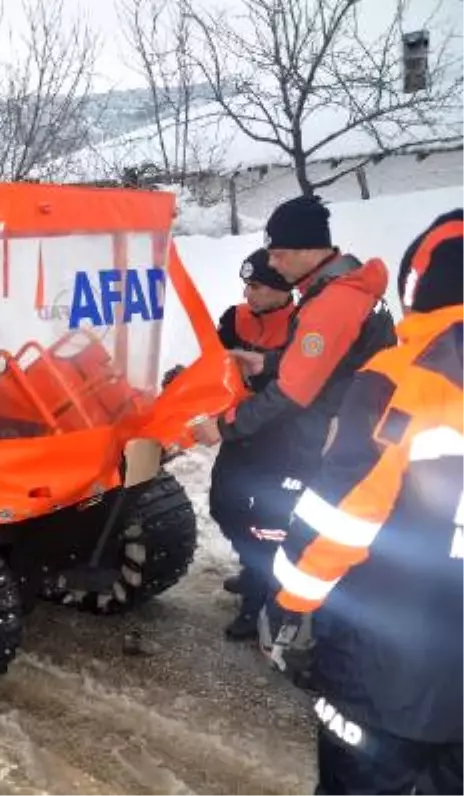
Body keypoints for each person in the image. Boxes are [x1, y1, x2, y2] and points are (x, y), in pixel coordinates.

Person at [261, 210, 464, 794]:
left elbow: (341, 515)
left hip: (388, 670)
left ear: (416, 289)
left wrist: (289, 600)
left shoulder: (404, 381)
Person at [191, 195, 397, 648]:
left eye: (280, 253)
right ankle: (268, 593)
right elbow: (318, 364)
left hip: (327, 441)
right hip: (339, 431)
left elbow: (292, 393)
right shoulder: (340, 289)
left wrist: (221, 427)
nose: (273, 263)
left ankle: (285, 624)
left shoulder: (334, 302)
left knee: (278, 523)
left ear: (310, 250)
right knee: (257, 513)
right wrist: (264, 362)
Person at [205, 249, 297, 638]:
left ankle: (257, 600)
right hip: (237, 433)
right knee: (224, 505)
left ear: (280, 288)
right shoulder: (234, 318)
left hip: (281, 443)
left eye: (257, 286)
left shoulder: (303, 327)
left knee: (267, 524)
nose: (249, 295)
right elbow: (212, 362)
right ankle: (252, 564)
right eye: (246, 285)